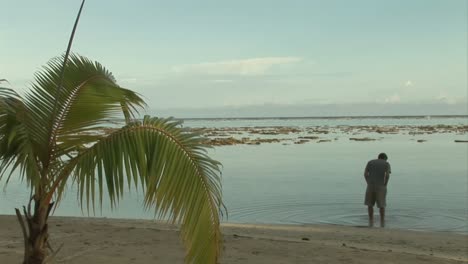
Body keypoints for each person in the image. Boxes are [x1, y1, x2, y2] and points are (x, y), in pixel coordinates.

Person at [364, 152, 391, 227]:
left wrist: (368, 182)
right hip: (381, 186)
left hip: (370, 185)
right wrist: (385, 184)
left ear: (378, 157)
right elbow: (387, 175)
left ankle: (371, 220)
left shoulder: (370, 162)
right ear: (385, 158)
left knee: (370, 204)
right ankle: (382, 221)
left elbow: (365, 174)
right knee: (382, 205)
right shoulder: (386, 164)